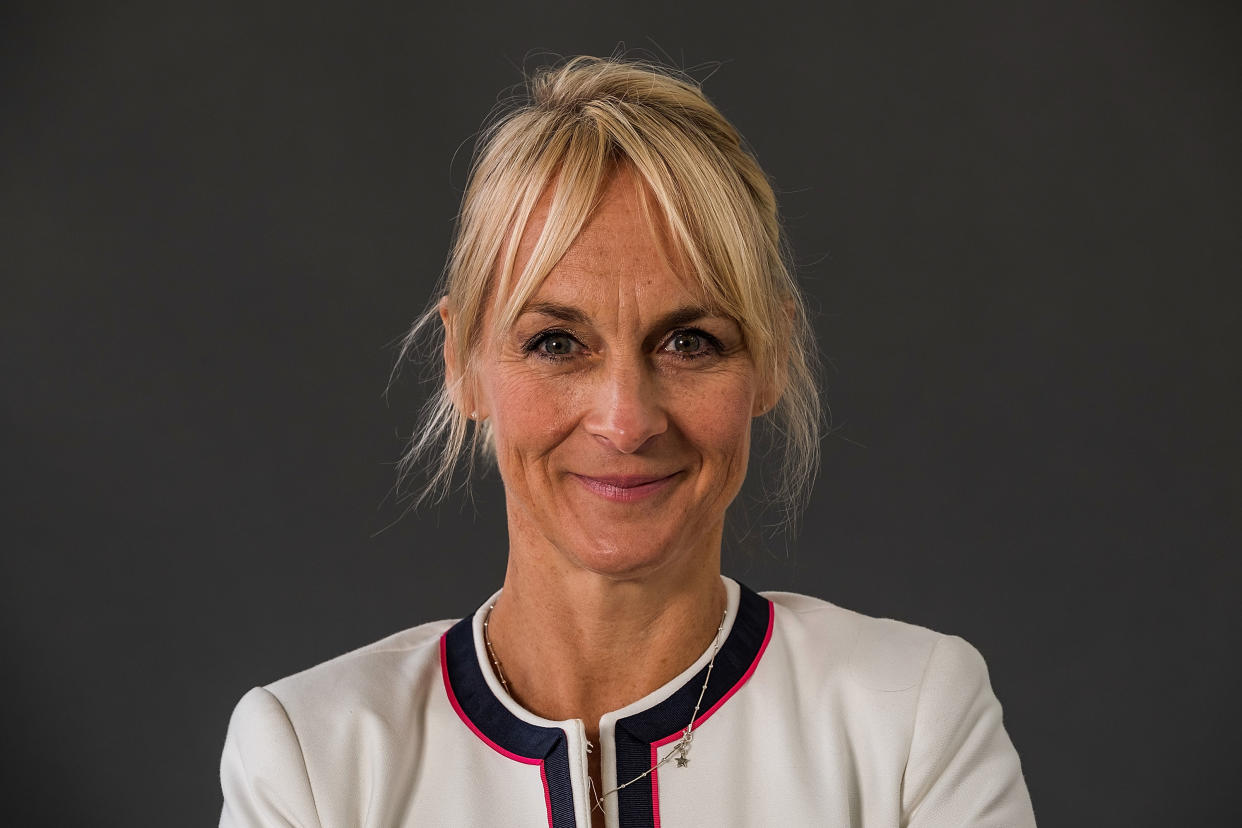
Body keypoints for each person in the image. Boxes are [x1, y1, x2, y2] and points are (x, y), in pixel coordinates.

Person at [219, 56, 1036, 827]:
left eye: (690, 342)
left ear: (771, 360)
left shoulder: (911, 719)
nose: (626, 420)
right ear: (464, 366)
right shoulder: (313, 761)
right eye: (556, 343)